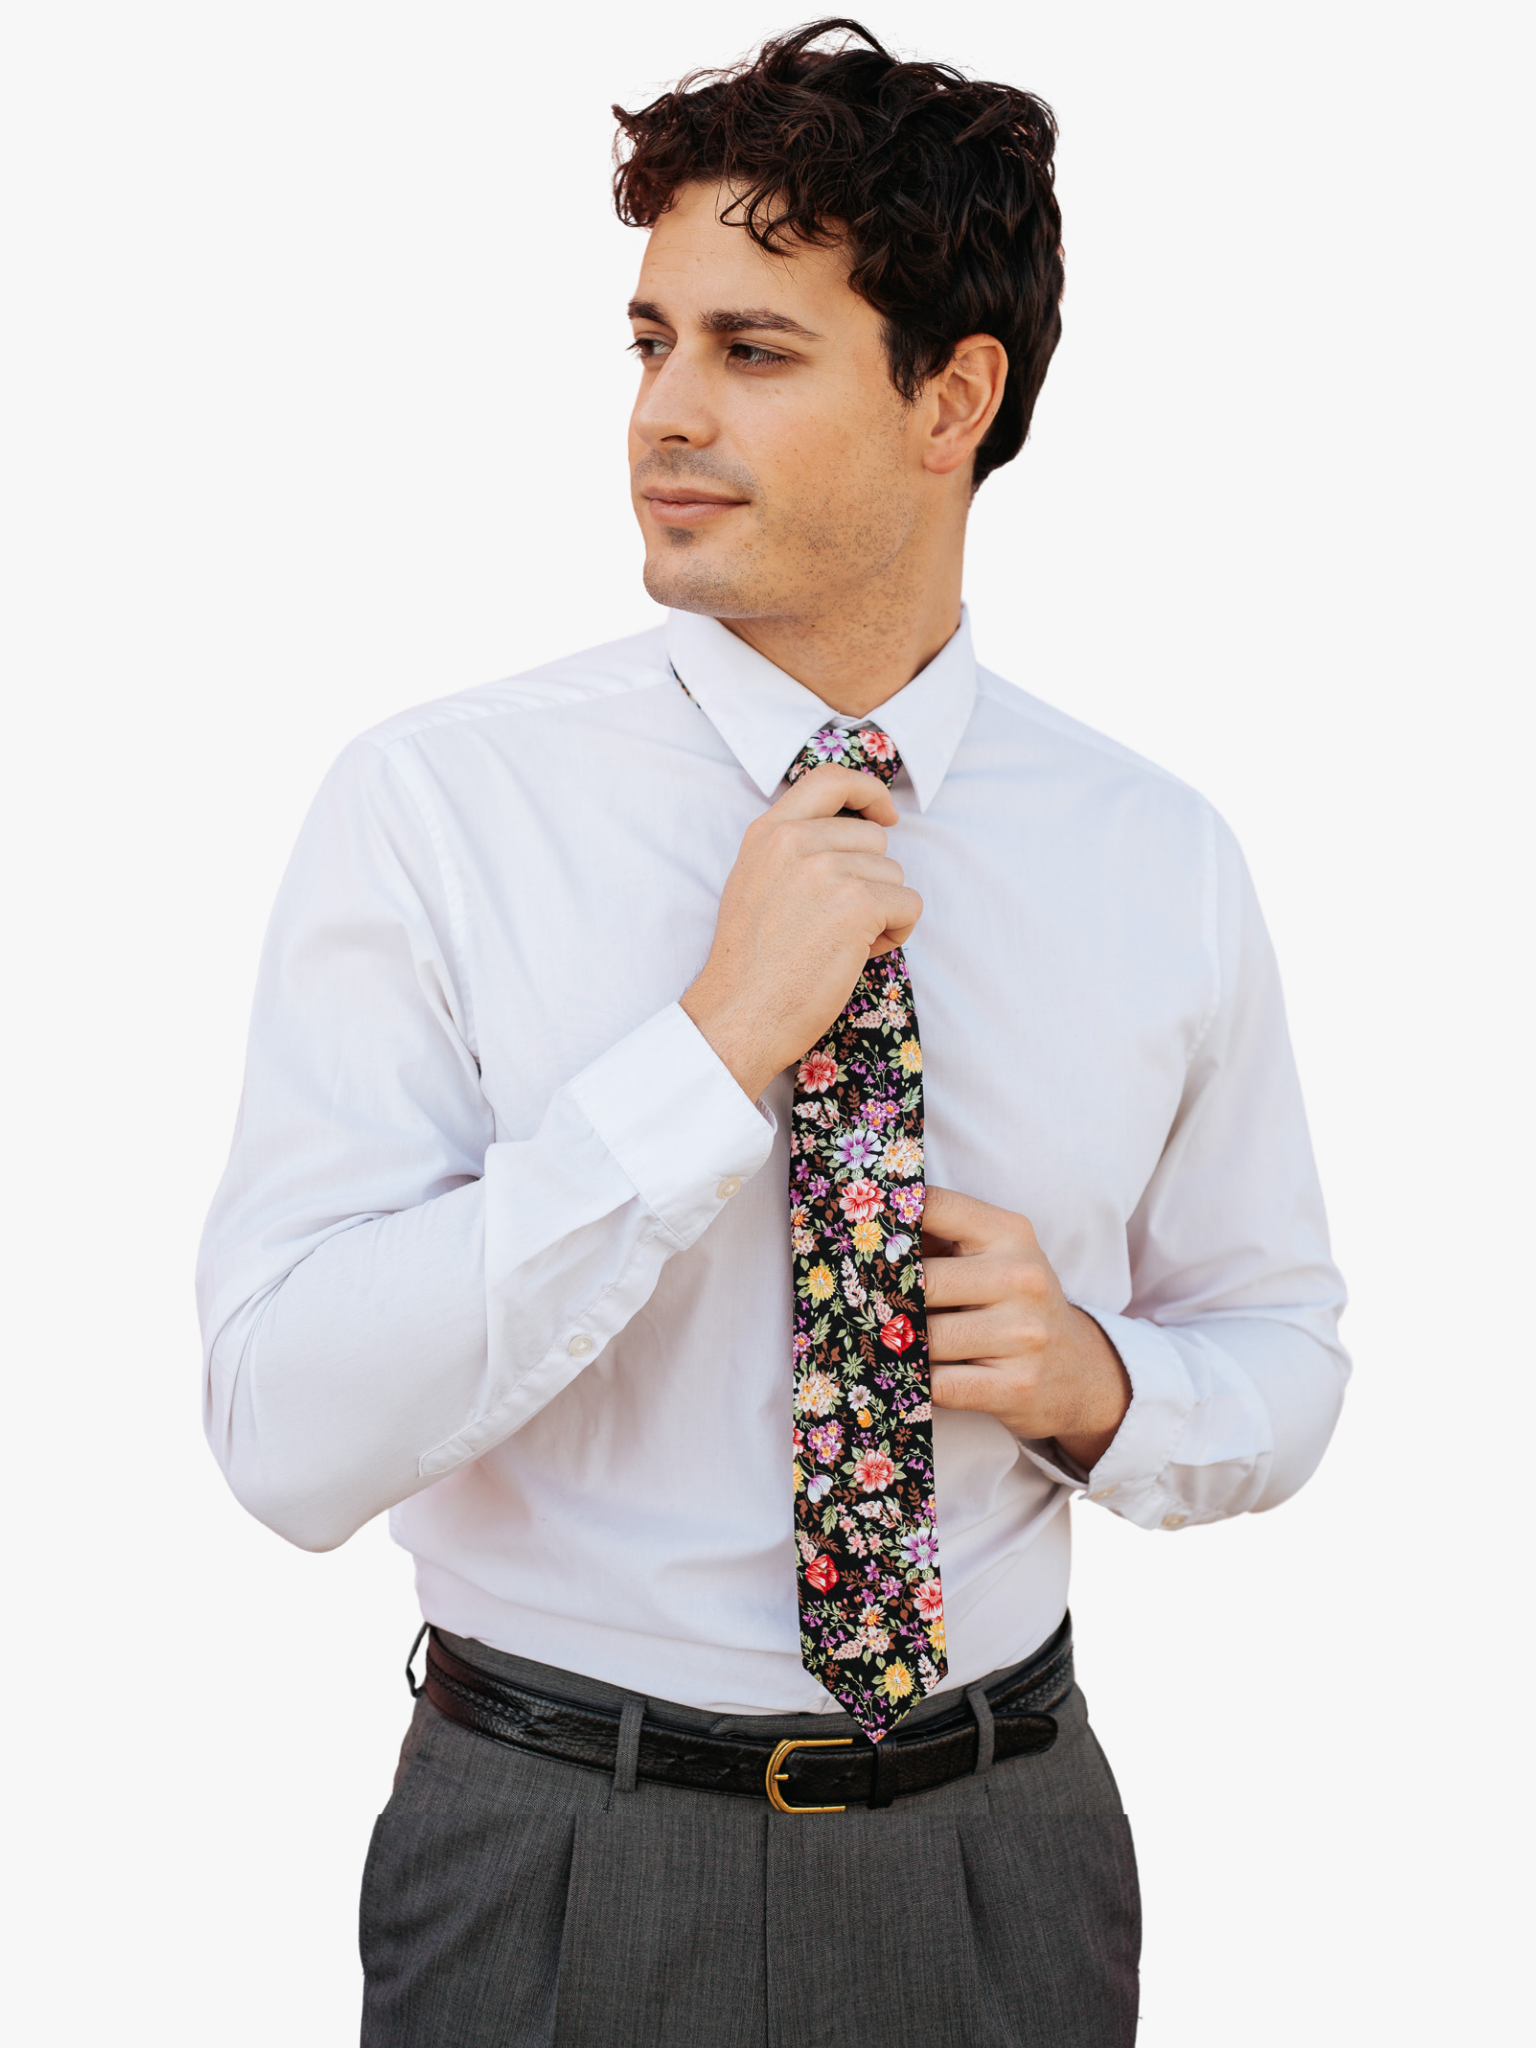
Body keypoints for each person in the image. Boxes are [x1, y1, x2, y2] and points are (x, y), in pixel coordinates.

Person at [198, 19, 1348, 2046]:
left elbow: (1282, 1347)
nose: (665, 413)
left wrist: (1103, 1385)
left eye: (755, 350)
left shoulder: (1158, 855)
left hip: (1001, 1854)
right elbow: (283, 1433)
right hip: (553, 1858)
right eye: (649, 343)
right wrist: (708, 1052)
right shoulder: (438, 806)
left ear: (952, 399)